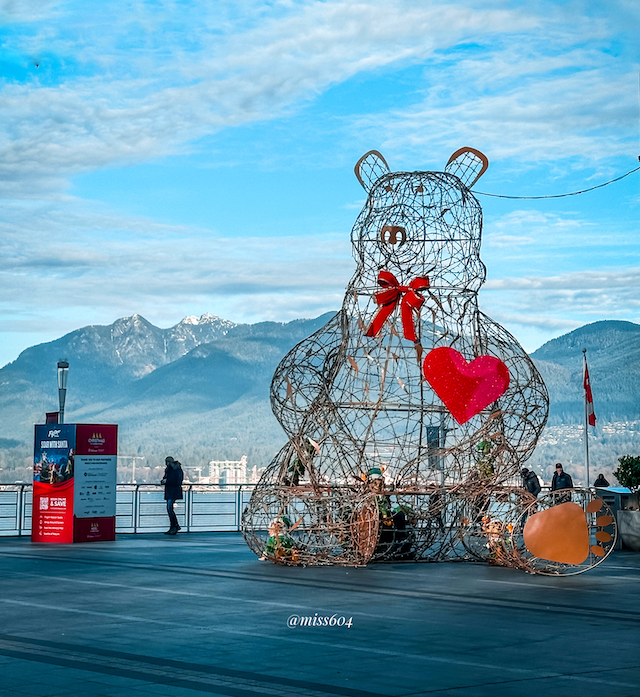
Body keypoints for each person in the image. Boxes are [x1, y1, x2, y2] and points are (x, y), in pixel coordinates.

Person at [161, 456, 184, 535]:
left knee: (169, 509)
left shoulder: (172, 470)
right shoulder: (176, 469)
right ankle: (174, 526)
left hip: (172, 491)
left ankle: (174, 526)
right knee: (170, 509)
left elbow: (176, 480)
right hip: (173, 491)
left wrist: (166, 481)